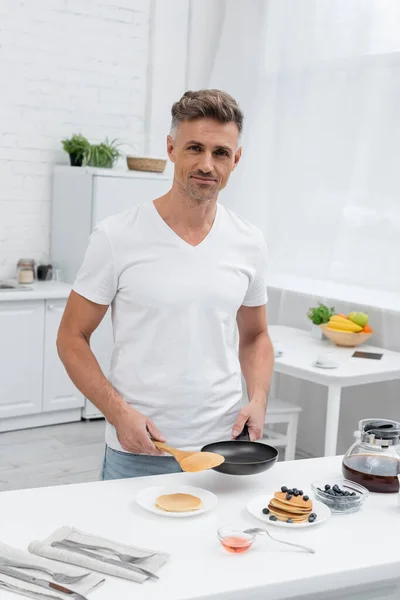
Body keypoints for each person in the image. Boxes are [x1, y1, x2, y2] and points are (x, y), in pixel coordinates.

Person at [57, 89, 274, 480]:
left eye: (220, 153)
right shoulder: (116, 236)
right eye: (195, 148)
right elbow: (72, 337)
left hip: (223, 446)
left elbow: (256, 335)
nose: (206, 165)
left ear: (236, 159)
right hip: (139, 447)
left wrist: (258, 399)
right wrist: (117, 412)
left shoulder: (249, 241)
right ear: (171, 149)